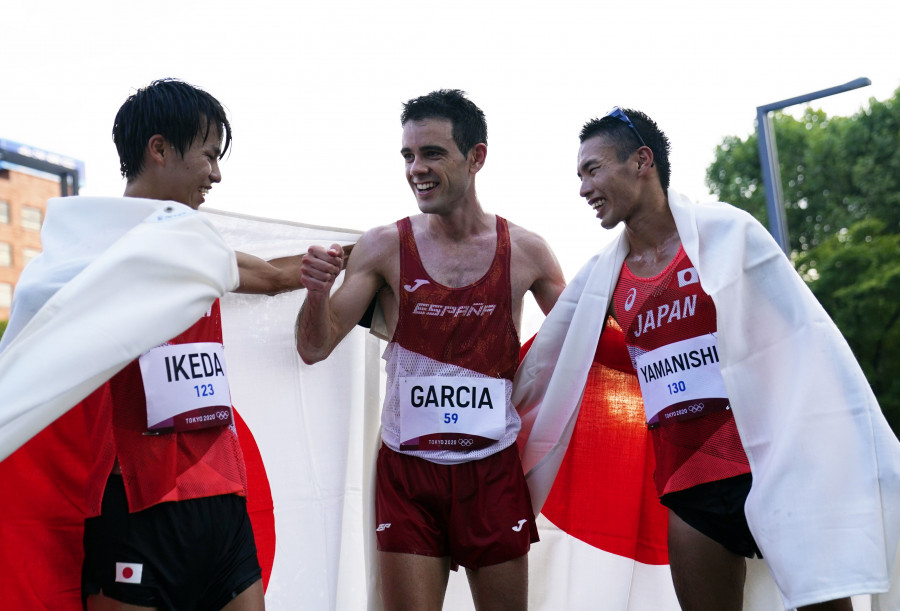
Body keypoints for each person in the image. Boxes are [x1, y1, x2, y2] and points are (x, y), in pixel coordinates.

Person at [512, 107, 900, 610]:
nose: (584, 187)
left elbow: (802, 342)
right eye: (580, 175)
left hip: (772, 469)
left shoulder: (728, 235)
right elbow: (574, 357)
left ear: (642, 162)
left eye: (594, 169)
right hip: (689, 490)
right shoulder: (601, 282)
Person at [295, 89, 565, 610]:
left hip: (492, 470)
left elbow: (596, 340)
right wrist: (314, 291)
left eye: (432, 153)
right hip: (410, 472)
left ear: (477, 157)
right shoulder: (384, 246)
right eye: (408, 155)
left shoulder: (527, 251)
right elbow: (314, 347)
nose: (416, 168)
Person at [76, 78, 306, 611]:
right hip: (133, 501)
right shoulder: (89, 249)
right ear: (159, 149)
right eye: (208, 155)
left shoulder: (200, 246)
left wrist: (369, 250)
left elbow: (272, 277)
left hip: (217, 499)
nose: (217, 173)